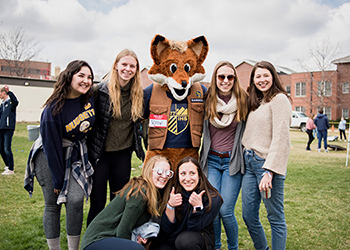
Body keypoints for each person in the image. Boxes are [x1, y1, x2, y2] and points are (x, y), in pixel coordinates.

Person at [29, 60, 95, 250]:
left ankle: (73, 248)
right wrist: (58, 181)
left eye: (89, 77)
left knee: (75, 200)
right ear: (69, 76)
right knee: (53, 204)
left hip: (74, 154)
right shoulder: (53, 108)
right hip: (50, 156)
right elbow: (51, 147)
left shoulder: (88, 98)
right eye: (81, 76)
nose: (86, 80)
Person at [87, 49, 144, 226]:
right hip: (100, 156)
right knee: (97, 203)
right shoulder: (99, 91)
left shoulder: (139, 94)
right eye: (124, 64)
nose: (128, 69)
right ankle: (92, 240)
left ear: (136, 69)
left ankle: (112, 238)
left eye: (132, 66)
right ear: (116, 66)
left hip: (123, 156)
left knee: (118, 202)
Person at [241, 61, 292, 250]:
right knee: (248, 215)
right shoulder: (256, 101)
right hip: (249, 163)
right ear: (253, 80)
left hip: (266, 166)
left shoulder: (279, 100)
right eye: (258, 76)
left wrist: (269, 171)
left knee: (275, 217)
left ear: (273, 77)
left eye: (266, 75)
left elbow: (282, 137)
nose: (262, 80)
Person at [200, 61, 248, 250]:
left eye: (230, 77)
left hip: (232, 162)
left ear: (235, 78)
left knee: (226, 210)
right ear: (215, 78)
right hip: (211, 161)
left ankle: (233, 247)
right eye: (221, 76)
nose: (226, 80)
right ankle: (216, 247)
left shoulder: (243, 99)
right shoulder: (208, 98)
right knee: (212, 209)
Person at [81, 155, 173, 250]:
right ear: (149, 171)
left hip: (112, 239)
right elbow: (122, 231)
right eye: (160, 171)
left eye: (168, 173)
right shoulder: (140, 193)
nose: (164, 176)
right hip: (97, 240)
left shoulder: (155, 194)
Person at [149, 156, 223, 250]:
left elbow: (194, 228)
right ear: (178, 176)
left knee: (185, 241)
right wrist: (170, 206)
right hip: (173, 238)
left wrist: (197, 208)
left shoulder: (212, 198)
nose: (187, 179)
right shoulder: (172, 192)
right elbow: (167, 229)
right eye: (183, 174)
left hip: (196, 239)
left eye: (192, 173)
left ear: (199, 175)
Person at [0, 84, 19, 175]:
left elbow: (16, 102)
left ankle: (11, 169)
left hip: (8, 128)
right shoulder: (2, 104)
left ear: (4, 93)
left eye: (0, 93)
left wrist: (9, 92)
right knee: (1, 148)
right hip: (1, 128)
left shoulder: (11, 103)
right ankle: (7, 165)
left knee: (7, 148)